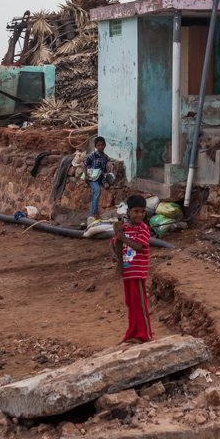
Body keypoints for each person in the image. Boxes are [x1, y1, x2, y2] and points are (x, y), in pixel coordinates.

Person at [111, 194, 153, 344]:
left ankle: (145, 335)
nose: (139, 215)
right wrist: (115, 249)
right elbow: (115, 243)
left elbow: (139, 247)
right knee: (131, 303)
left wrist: (122, 238)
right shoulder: (125, 228)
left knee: (140, 304)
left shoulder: (143, 229)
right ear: (128, 212)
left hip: (137, 273)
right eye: (136, 211)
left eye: (142, 211)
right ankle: (132, 333)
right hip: (128, 272)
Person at [84, 137, 110, 221]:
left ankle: (95, 212)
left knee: (101, 192)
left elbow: (104, 170)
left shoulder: (105, 157)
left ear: (105, 145)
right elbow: (85, 164)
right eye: (98, 145)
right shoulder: (93, 155)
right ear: (95, 146)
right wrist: (86, 176)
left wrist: (105, 179)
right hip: (92, 177)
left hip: (100, 178)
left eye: (102, 145)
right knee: (97, 190)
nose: (100, 147)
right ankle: (92, 215)